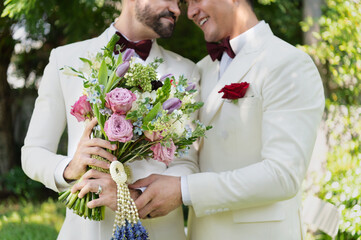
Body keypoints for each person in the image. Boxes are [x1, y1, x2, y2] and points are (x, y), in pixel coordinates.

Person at [130, 0, 325, 239]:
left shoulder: (289, 63)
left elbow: (282, 175)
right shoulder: (200, 70)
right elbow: (186, 156)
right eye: (187, 4)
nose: (190, 13)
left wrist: (184, 190)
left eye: (196, 0)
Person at [21, 0, 199, 239]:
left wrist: (135, 197)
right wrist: (69, 168)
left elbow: (188, 162)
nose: (177, 10)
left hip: (160, 231)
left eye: (179, 2)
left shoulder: (187, 72)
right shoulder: (66, 59)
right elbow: (33, 151)